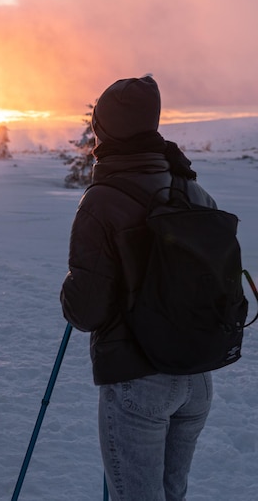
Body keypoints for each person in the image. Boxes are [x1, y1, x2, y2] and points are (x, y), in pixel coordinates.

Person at [60, 75, 216, 501]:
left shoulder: (102, 199)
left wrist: (70, 289)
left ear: (106, 129)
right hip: (196, 378)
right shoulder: (191, 188)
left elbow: (86, 312)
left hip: (138, 382)